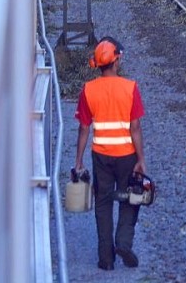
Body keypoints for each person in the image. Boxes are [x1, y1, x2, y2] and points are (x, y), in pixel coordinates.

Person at [74, 36, 146, 271]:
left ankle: (106, 258)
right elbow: (135, 127)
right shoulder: (130, 88)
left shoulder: (88, 90)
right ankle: (123, 242)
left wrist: (78, 161)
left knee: (103, 203)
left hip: (101, 156)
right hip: (127, 155)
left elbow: (84, 128)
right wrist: (141, 159)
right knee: (130, 199)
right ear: (116, 62)